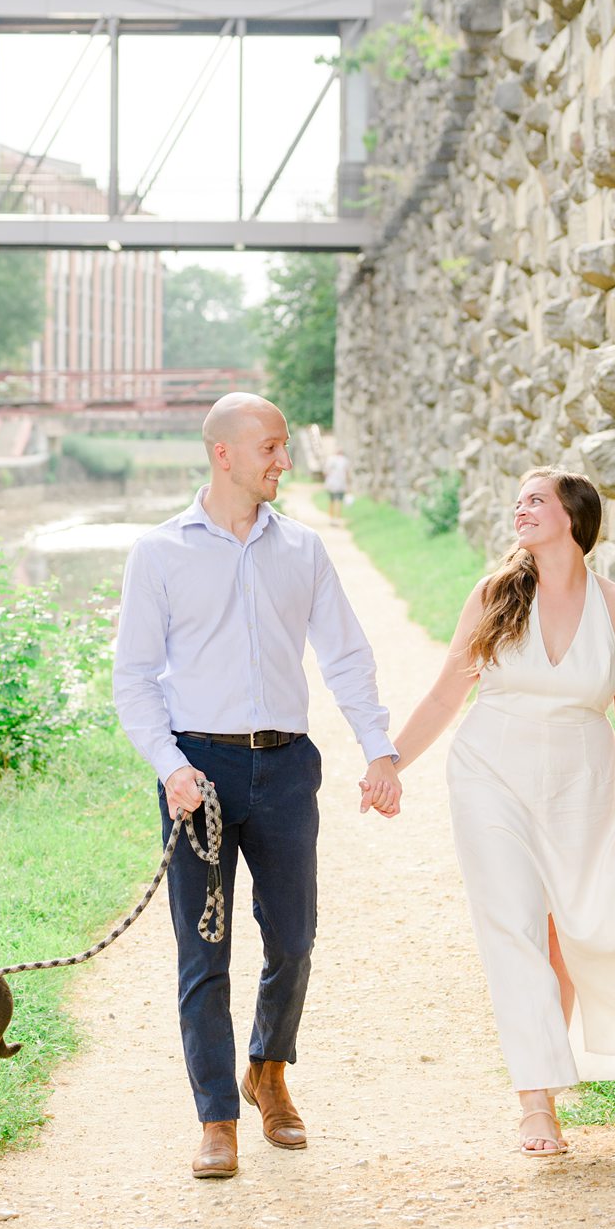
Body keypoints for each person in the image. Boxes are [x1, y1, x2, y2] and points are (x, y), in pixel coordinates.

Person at [384, 467, 615, 1155]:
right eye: (518, 500)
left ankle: (556, 1061)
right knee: (514, 926)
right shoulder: (495, 594)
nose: (521, 508)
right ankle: (535, 1100)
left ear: (573, 516)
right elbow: (449, 694)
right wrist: (390, 761)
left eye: (536, 499)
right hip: (489, 775)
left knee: (575, 927)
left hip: (583, 788)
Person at [114, 394, 403, 1180]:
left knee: (294, 938)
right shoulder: (160, 553)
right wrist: (170, 766)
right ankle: (217, 1116)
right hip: (195, 776)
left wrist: (379, 750)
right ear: (225, 455)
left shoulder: (301, 549)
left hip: (284, 765)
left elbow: (345, 653)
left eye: (284, 446)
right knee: (203, 952)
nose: (285, 459)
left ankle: (268, 1069)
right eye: (272, 447)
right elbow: (133, 680)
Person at [322, 449, 351, 522]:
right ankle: (337, 518)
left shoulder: (330, 459)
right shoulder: (345, 460)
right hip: (341, 483)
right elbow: (347, 473)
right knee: (338, 501)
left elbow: (325, 472)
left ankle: (331, 518)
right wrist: (348, 484)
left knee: (331, 501)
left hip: (331, 483)